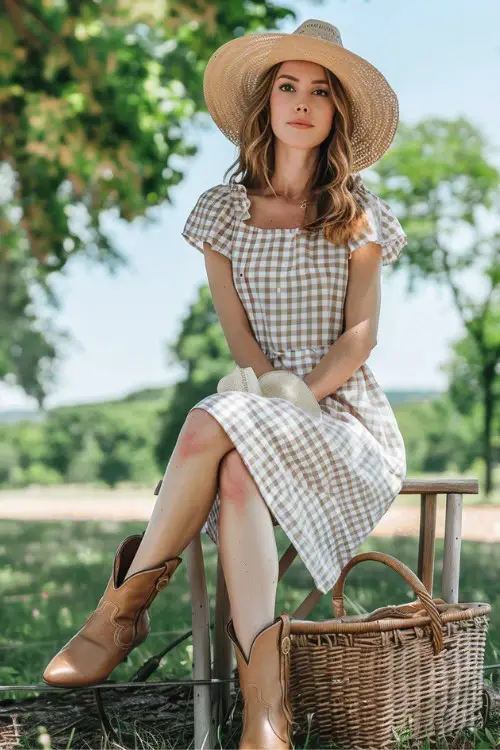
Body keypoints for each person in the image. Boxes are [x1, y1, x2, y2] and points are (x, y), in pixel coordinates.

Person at [42, 18, 408, 750]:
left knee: (212, 424)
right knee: (235, 467)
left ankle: (118, 613)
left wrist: (299, 393)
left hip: (344, 422)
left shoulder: (358, 217)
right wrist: (265, 393)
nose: (301, 103)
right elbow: (235, 330)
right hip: (255, 399)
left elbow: (360, 339)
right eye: (286, 87)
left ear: (336, 112)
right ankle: (264, 711)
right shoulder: (222, 213)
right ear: (266, 105)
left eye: (319, 92)